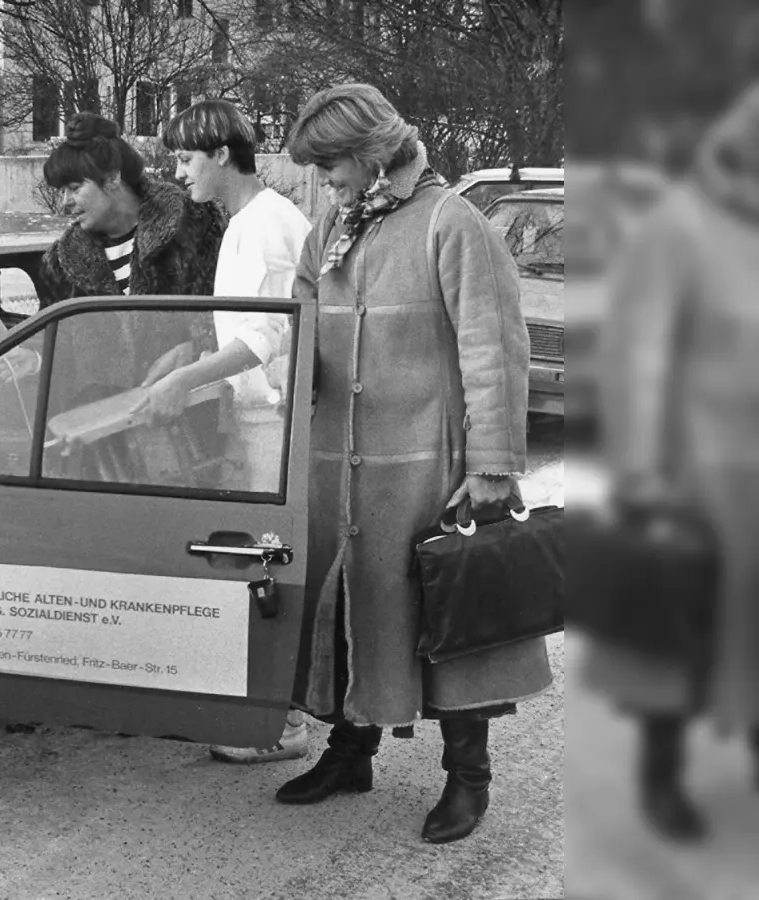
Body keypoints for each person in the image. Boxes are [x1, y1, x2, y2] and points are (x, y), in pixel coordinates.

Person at [275, 84, 552, 845]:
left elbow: (494, 351)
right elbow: (302, 328)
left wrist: (494, 464)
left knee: (448, 620)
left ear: (368, 155)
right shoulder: (332, 224)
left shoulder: (451, 223)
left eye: (329, 164)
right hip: (338, 466)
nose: (320, 180)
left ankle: (469, 779)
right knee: (346, 612)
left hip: (429, 469)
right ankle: (350, 751)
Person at [585, 83, 759, 843]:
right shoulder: (682, 225)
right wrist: (641, 474)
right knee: (672, 633)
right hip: (700, 472)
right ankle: (661, 780)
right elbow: (639, 355)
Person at [140, 97, 312, 765]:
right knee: (261, 564)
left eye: (185, 157)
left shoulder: (266, 224)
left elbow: (265, 336)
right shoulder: (249, 220)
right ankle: (272, 713)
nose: (179, 171)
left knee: (270, 566)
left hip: (273, 421)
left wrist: (183, 382)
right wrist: (187, 362)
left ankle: (283, 724)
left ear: (219, 154)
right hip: (259, 417)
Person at [37, 113, 225, 395]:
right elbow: (61, 350)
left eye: (75, 188)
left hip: (190, 416)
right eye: (62, 191)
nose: (65, 203)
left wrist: (195, 347)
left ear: (113, 178)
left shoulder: (192, 224)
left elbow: (231, 316)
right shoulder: (62, 264)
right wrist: (33, 360)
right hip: (102, 428)